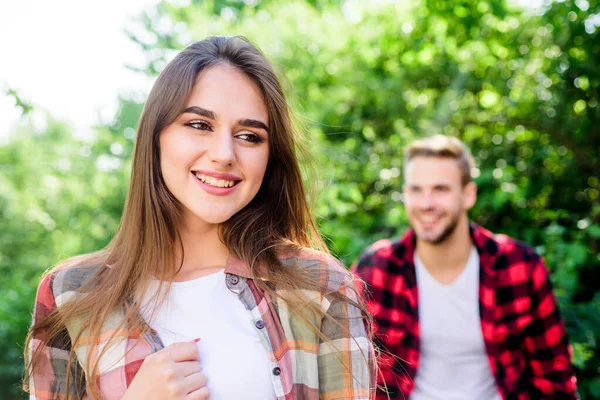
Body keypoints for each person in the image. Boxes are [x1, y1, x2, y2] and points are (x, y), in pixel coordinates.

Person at [25, 36, 375, 400]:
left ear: (270, 157)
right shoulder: (72, 293)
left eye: (249, 136)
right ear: (156, 136)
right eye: (199, 125)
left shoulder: (319, 286)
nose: (224, 154)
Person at [352, 135, 577, 399]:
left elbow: (554, 379)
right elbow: (350, 369)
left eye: (440, 189)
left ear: (468, 195)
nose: (426, 203)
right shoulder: (376, 268)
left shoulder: (519, 266)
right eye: (415, 190)